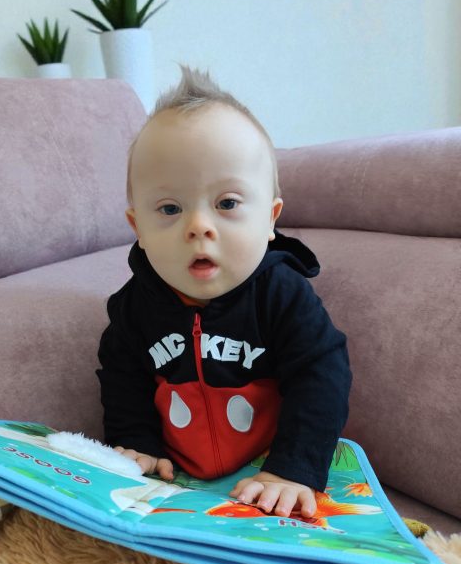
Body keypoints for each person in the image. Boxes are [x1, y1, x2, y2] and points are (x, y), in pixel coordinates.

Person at [97, 66, 352, 519]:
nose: (199, 226)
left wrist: (292, 468)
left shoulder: (282, 294)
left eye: (227, 203)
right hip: (178, 480)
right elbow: (122, 378)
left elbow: (321, 372)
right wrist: (136, 442)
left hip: (269, 465)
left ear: (270, 218)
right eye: (170, 209)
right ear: (138, 229)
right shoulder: (134, 307)